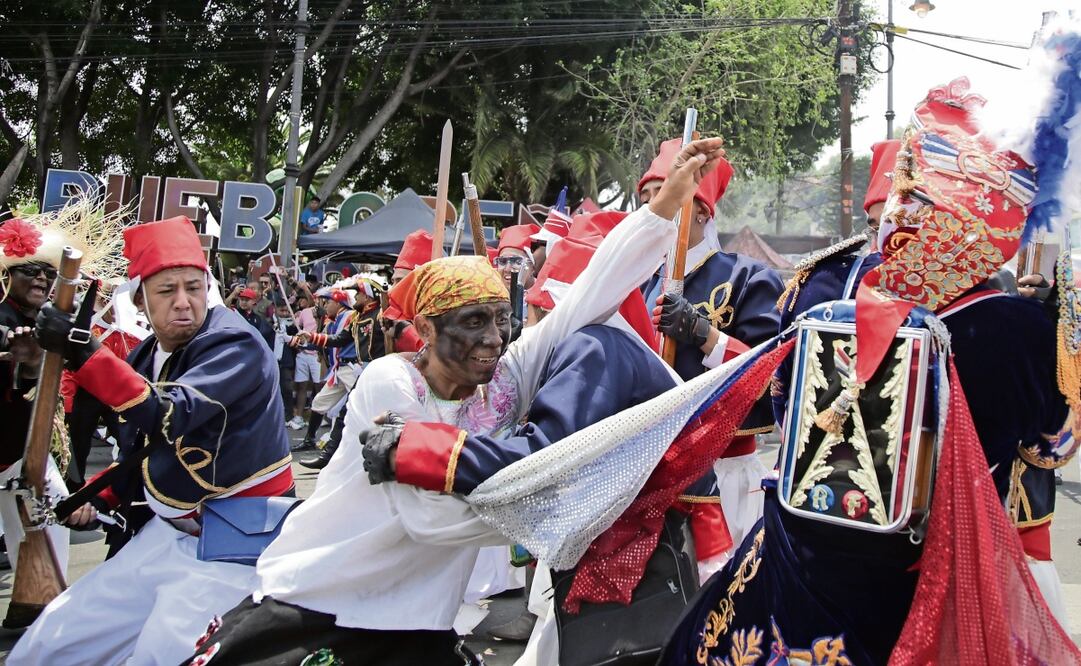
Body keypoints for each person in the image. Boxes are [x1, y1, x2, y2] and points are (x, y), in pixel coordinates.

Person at [181, 137, 728, 666]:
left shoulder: (505, 378)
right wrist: (571, 511)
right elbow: (430, 519)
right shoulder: (389, 382)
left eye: (500, 320)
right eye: (472, 324)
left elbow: (590, 294)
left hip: (419, 623)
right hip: (320, 606)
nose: (494, 339)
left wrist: (665, 204)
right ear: (424, 327)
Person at [659, 79, 1075, 665]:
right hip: (917, 566)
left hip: (807, 545)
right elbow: (1051, 440)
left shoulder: (823, 285)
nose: (894, 213)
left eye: (907, 199)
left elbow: (778, 401)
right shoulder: (1030, 330)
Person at [382, 209, 728, 663]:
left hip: (652, 542)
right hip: (639, 528)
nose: (506, 331)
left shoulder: (591, 349)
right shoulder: (599, 343)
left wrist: (423, 451)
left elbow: (543, 460)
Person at [10, 215, 295, 665]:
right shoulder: (147, 353)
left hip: (231, 547)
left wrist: (83, 351)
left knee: (162, 656)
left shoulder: (235, 343)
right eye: (167, 291)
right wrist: (100, 498)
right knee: (51, 644)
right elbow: (140, 450)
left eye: (194, 287)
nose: (184, 302)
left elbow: (168, 414)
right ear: (140, 299)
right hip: (163, 534)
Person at [641, 139, 784, 563]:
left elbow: (771, 375)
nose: (655, 207)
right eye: (647, 199)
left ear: (702, 210)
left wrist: (703, 334)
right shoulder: (641, 282)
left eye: (667, 194)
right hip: (651, 472)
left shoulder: (748, 278)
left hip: (726, 476)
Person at [297, 277, 386, 470]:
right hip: (366, 372)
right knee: (348, 411)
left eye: (360, 294)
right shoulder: (357, 318)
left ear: (369, 296)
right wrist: (311, 336)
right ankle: (330, 456)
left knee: (372, 416)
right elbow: (338, 339)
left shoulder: (382, 315)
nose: (357, 297)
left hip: (383, 371)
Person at [296, 289, 356, 451]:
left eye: (328, 302)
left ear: (338, 303)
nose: (325, 306)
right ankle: (309, 439)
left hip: (352, 368)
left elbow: (339, 340)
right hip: (339, 369)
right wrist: (297, 341)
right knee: (319, 402)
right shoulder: (334, 321)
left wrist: (312, 337)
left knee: (358, 404)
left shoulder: (351, 316)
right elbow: (321, 342)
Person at [289, 293, 321, 430]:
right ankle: (299, 416)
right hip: (302, 354)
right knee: (301, 385)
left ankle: (320, 416)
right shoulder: (304, 312)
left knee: (319, 386)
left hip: (317, 355)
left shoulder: (324, 313)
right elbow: (298, 328)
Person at [270, 300, 301, 426]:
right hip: (272, 361)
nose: (284, 313)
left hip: (285, 361)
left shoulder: (293, 325)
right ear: (275, 311)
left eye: (287, 311)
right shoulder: (269, 323)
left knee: (287, 389)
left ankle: (288, 416)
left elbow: (297, 339)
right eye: (281, 311)